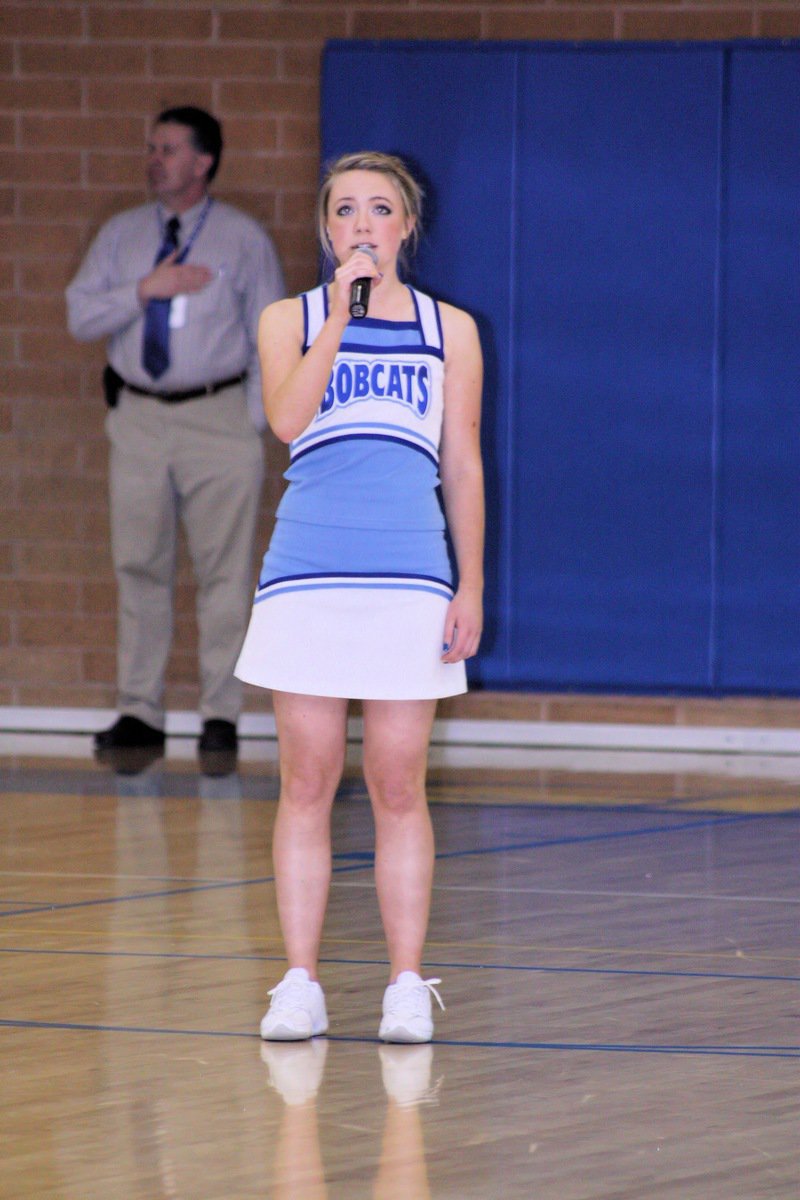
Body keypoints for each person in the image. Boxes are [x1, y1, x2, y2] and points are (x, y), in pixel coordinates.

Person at [235, 151, 484, 1042]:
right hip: (306, 575)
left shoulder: (450, 330)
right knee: (306, 781)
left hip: (410, 578)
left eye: (381, 210)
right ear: (327, 228)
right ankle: (299, 981)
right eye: (347, 211)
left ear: (407, 226)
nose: (364, 224)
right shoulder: (288, 319)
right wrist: (339, 316)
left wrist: (471, 582)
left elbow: (461, 461)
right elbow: (288, 420)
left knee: (397, 784)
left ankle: (406, 984)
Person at [66, 106, 285, 772]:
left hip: (216, 416)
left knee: (224, 574)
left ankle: (220, 714)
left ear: (203, 162)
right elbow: (80, 314)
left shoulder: (243, 239)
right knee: (139, 564)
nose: (154, 159)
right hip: (139, 416)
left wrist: (247, 423)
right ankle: (140, 710)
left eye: (167, 149)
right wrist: (143, 290)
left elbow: (269, 336)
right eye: (151, 147)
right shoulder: (122, 236)